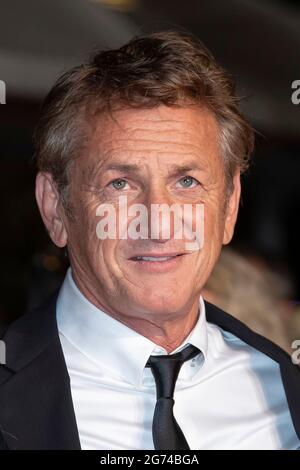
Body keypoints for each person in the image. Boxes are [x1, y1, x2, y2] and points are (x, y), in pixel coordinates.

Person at [0, 30, 299, 450]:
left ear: (229, 207)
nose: (158, 224)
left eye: (187, 181)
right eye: (119, 183)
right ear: (55, 207)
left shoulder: (284, 389)